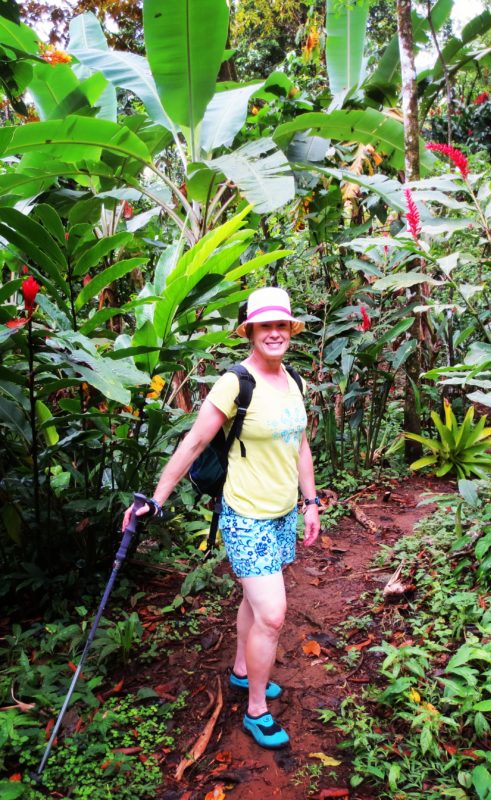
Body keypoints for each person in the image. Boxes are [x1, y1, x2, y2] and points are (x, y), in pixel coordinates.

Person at [122, 286, 320, 749]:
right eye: (264, 325)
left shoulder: (293, 380)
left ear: (290, 329)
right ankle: (255, 709)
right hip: (246, 515)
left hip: (282, 514)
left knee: (254, 603)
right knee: (272, 614)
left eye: (281, 325)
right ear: (250, 331)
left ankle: (239, 671)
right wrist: (156, 498)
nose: (274, 333)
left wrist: (310, 502)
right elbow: (192, 444)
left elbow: (301, 445)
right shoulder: (235, 382)